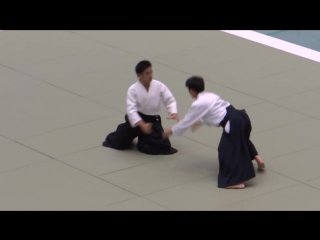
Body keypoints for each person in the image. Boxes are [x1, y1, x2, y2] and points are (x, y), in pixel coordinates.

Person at [162, 76, 265, 189]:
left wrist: (170, 131)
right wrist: (200, 122)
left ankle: (233, 182)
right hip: (241, 117)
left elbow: (187, 120)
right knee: (242, 139)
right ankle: (258, 158)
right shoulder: (211, 95)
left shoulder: (198, 104)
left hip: (233, 123)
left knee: (224, 150)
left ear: (191, 90)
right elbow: (214, 113)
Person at [103, 60, 179, 155]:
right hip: (136, 119)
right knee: (120, 141)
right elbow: (131, 109)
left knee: (163, 145)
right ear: (139, 75)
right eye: (147, 73)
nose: (150, 75)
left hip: (152, 120)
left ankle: (142, 141)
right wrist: (141, 124)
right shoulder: (133, 89)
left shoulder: (159, 86)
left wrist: (173, 112)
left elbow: (169, 99)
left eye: (151, 72)